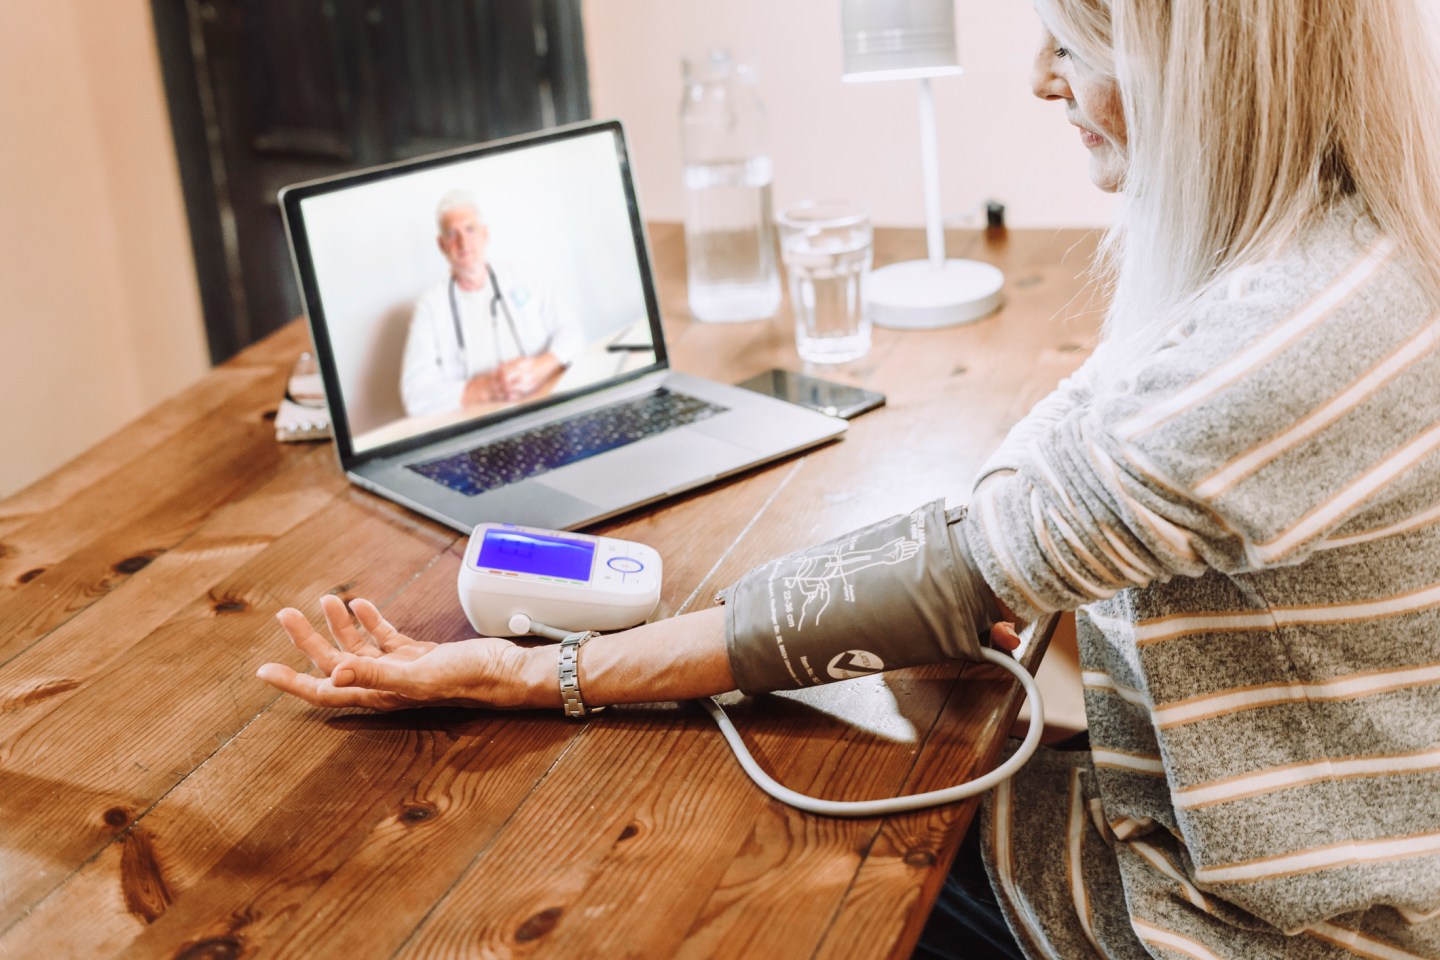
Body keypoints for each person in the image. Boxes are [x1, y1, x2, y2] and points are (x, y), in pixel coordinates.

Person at [259, 0, 1440, 956]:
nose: (1038, 77)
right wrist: (980, 549)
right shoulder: (1327, 252)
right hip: (1289, 847)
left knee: (719, 889)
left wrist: (536, 674)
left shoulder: (1280, 340)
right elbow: (1009, 512)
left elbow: (952, 573)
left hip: (1259, 926)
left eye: (1072, 47)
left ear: (1199, 72)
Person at [399, 190, 584, 416]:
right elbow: (416, 397)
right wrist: (486, 389)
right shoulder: (429, 308)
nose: (463, 242)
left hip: (547, 406)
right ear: (441, 245)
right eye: (452, 234)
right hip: (480, 425)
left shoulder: (525, 276)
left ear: (485, 234)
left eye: (470, 229)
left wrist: (541, 367)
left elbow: (572, 331)